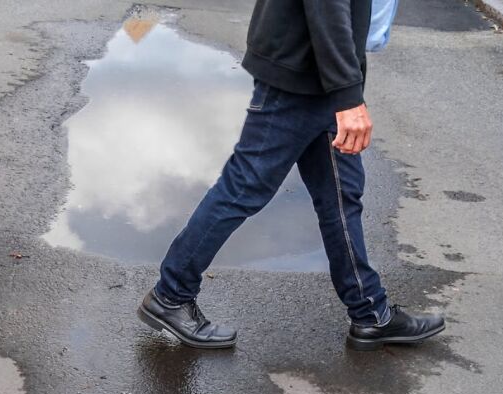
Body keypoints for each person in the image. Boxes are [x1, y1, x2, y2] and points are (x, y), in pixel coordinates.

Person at [137, 0, 445, 352]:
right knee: (243, 187)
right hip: (299, 75)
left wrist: (346, 85)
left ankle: (370, 313)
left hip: (320, 75)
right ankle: (171, 295)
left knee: (341, 196)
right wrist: (348, 96)